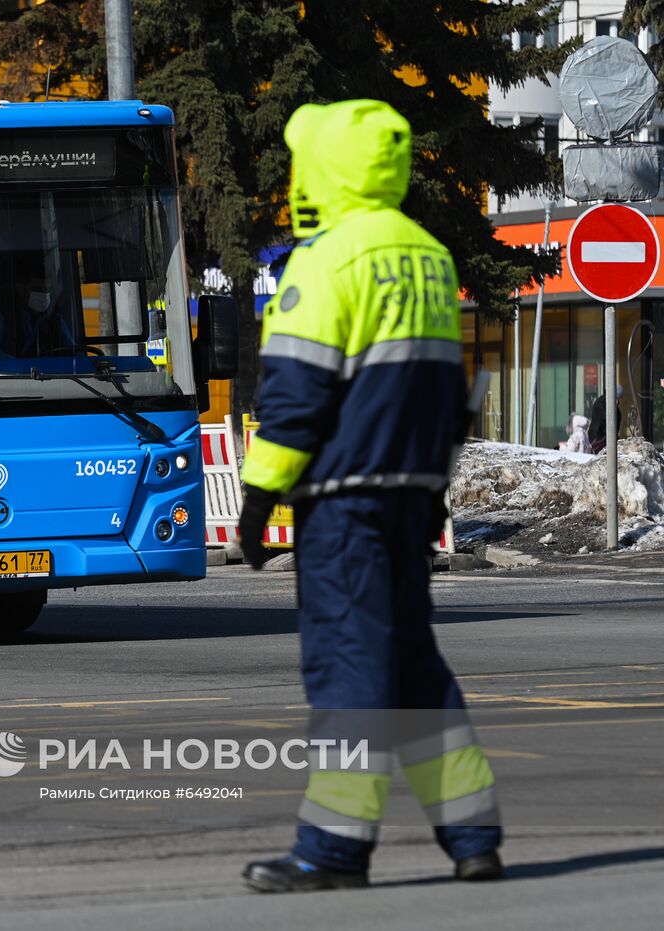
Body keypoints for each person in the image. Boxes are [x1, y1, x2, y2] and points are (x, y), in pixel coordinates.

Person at [236, 99, 503, 892]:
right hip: (411, 496)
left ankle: (333, 850)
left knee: (351, 668)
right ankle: (472, 834)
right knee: (414, 667)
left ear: (320, 169)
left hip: (345, 503)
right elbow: (442, 392)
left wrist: (258, 500)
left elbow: (295, 396)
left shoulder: (323, 261)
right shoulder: (427, 256)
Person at [587, 384, 623, 454]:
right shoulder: (603, 403)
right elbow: (608, 420)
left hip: (602, 436)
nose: (618, 401)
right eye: (617, 398)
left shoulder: (604, 402)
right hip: (600, 437)